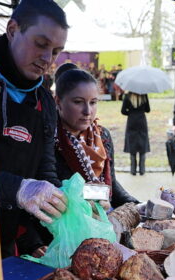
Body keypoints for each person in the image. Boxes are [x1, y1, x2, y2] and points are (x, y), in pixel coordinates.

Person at [16, 67, 139, 256]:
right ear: (58, 101)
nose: (87, 111)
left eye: (93, 102)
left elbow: (110, 184)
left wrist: (136, 205)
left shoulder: (102, 136)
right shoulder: (45, 137)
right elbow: (38, 193)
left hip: (100, 232)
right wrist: (33, 244)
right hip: (55, 239)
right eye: (78, 102)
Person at [0, 0, 69, 258]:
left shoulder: (43, 100)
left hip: (6, 243)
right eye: (41, 44)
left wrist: (62, 202)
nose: (47, 59)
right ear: (12, 30)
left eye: (56, 51)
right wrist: (17, 189)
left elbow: (45, 168)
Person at [121, 91, 151, 175]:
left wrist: (130, 113)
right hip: (142, 121)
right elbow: (148, 110)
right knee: (142, 145)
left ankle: (133, 170)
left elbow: (123, 111)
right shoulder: (144, 95)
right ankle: (142, 170)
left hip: (131, 121)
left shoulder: (127, 96)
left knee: (132, 145)